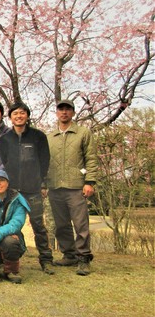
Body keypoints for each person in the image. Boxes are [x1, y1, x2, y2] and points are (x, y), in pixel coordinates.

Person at [0, 102, 54, 274]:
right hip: (13, 190)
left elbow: (45, 161)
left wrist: (42, 183)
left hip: (33, 189)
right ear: (10, 118)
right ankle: (6, 258)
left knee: (38, 225)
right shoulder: (5, 139)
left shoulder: (38, 136)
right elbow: (5, 162)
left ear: (27, 116)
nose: (19, 116)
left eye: (22, 113)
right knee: (9, 224)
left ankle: (46, 259)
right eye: (15, 114)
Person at [46, 99, 98, 276]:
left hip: (76, 187)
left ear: (73, 113)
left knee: (80, 224)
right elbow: (45, 163)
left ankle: (83, 258)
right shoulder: (50, 137)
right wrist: (44, 184)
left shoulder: (83, 133)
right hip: (55, 186)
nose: (64, 112)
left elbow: (91, 158)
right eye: (61, 109)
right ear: (57, 113)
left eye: (68, 109)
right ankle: (69, 255)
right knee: (61, 225)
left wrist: (89, 181)